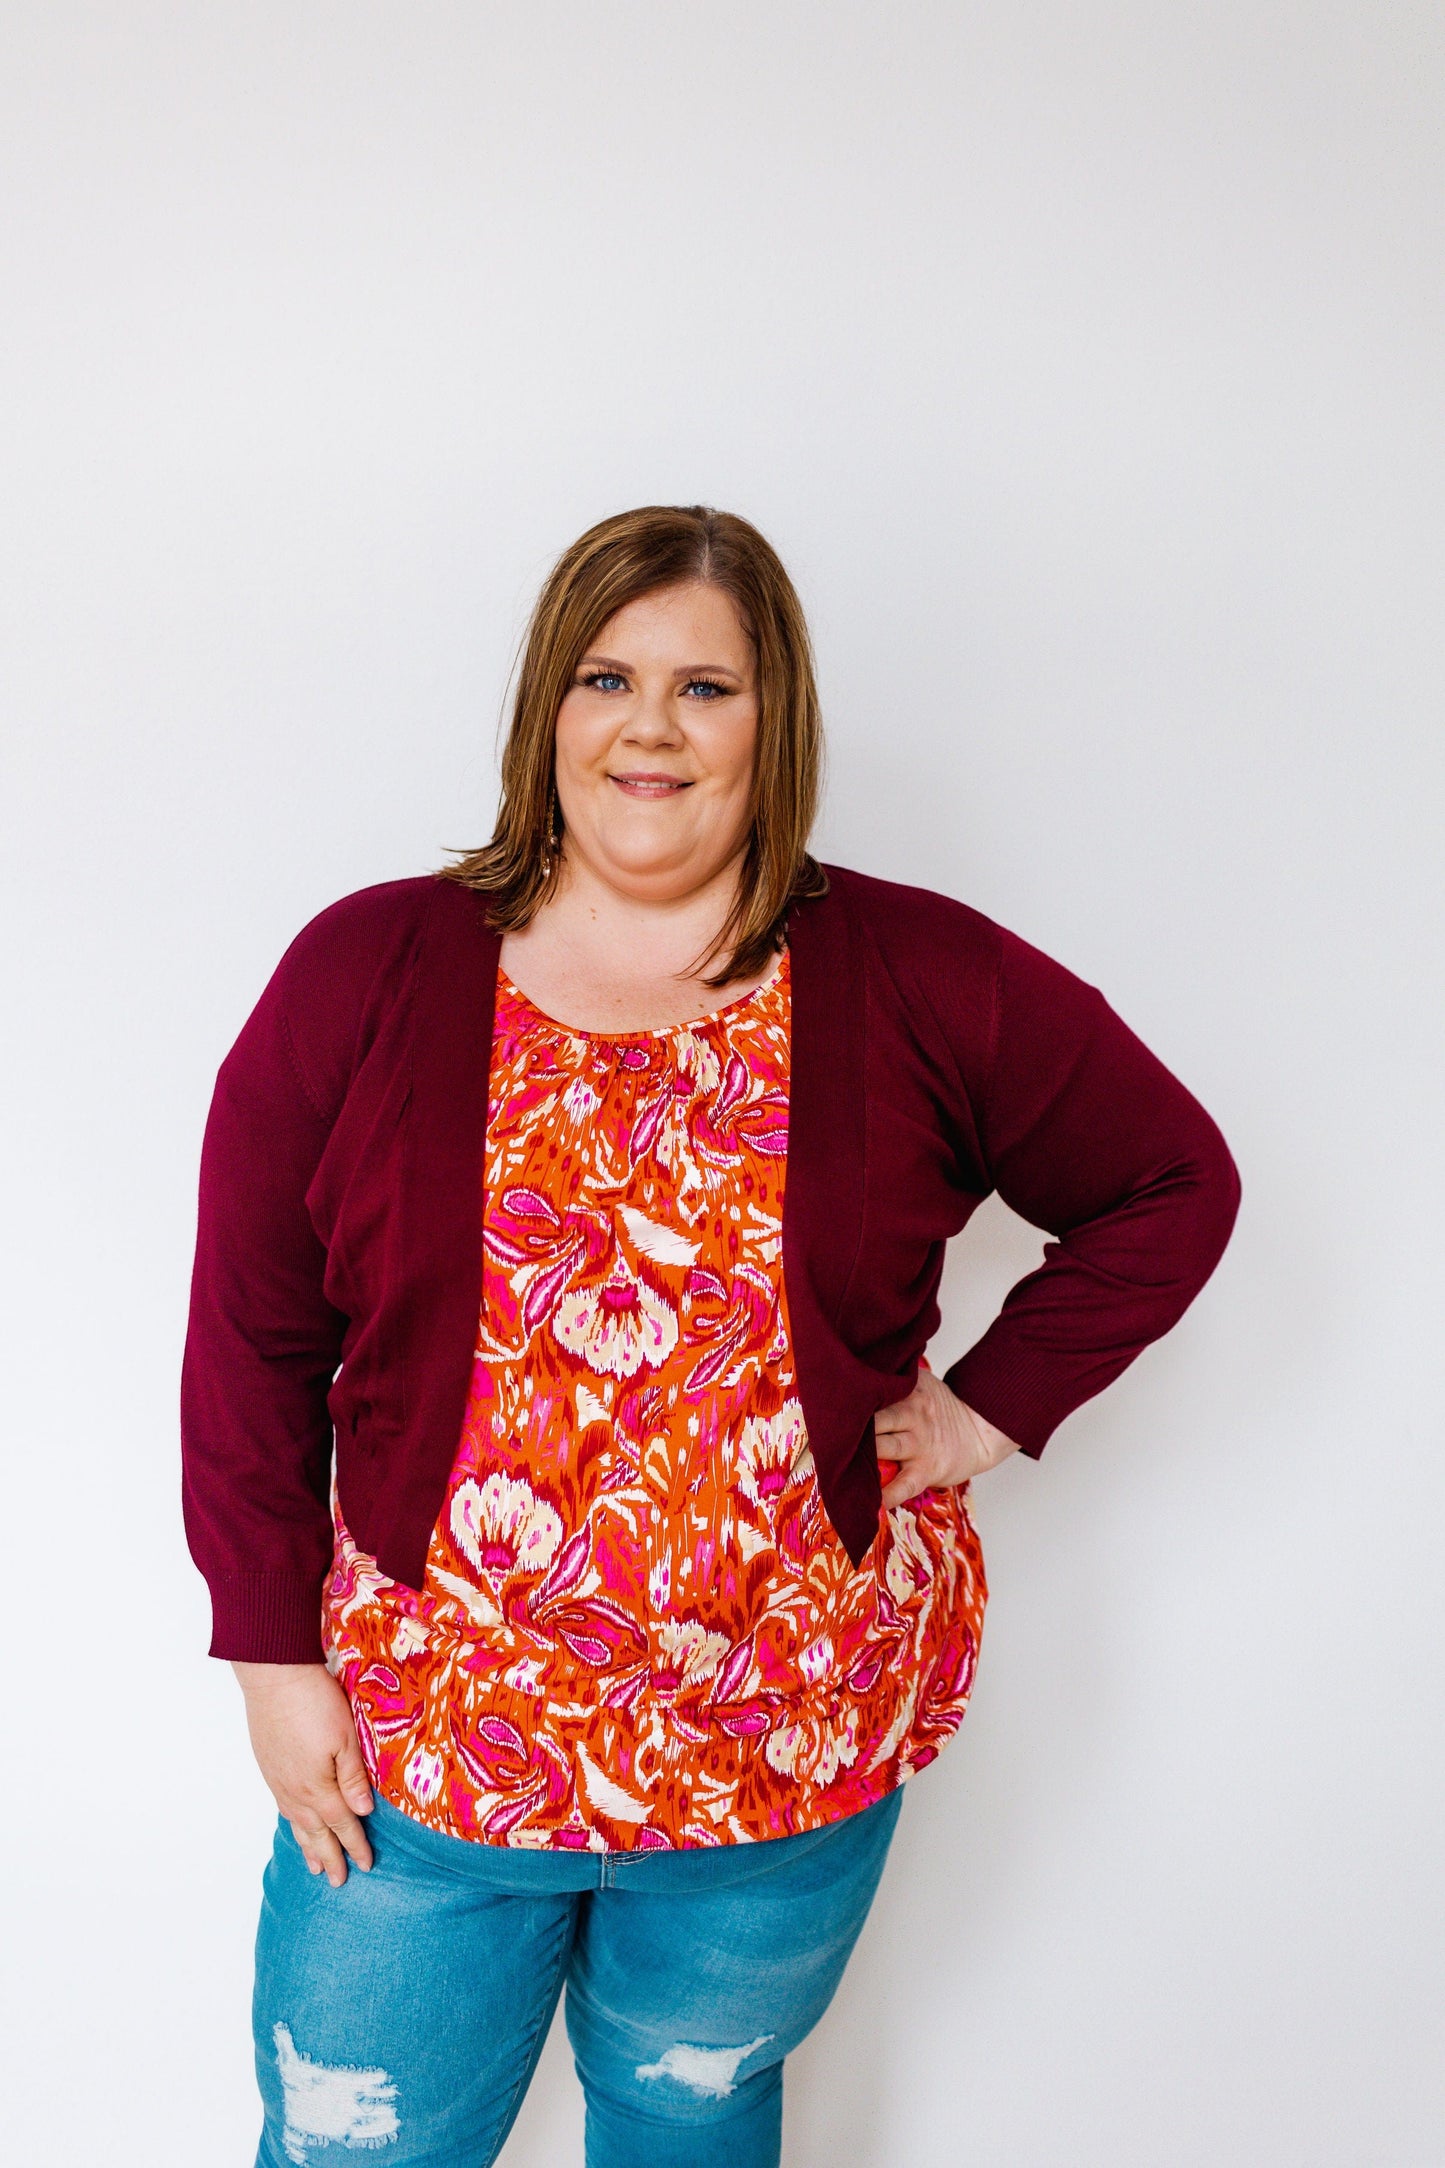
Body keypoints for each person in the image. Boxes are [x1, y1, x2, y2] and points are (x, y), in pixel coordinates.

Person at [182, 503, 1241, 2168]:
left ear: (777, 718)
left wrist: (982, 1413)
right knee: (351, 2142)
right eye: (606, 676)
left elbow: (1172, 1180)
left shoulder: (914, 976)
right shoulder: (366, 968)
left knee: (692, 2126)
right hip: (427, 1757)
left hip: (782, 1761)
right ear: (549, 708)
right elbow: (249, 1335)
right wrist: (268, 1650)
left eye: (707, 686)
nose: (650, 727)